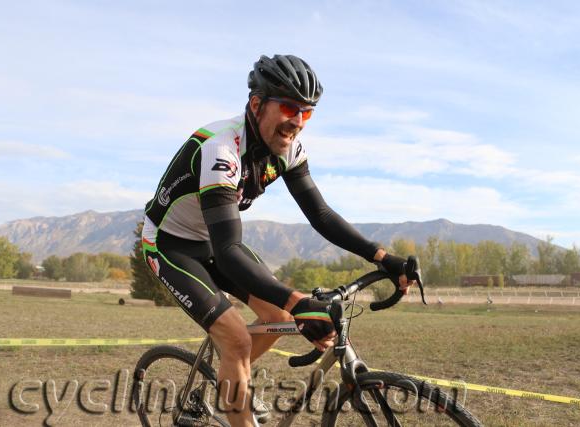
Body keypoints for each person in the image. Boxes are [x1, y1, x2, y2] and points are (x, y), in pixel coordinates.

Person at [142, 54, 414, 426]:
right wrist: (298, 299)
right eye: (289, 107)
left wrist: (382, 257)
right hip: (170, 244)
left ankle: (231, 382)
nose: (298, 122)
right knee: (238, 338)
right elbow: (227, 251)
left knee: (278, 315)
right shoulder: (221, 148)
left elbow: (320, 214)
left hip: (212, 240)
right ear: (257, 104)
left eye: (307, 113)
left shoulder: (286, 149)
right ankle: (235, 381)